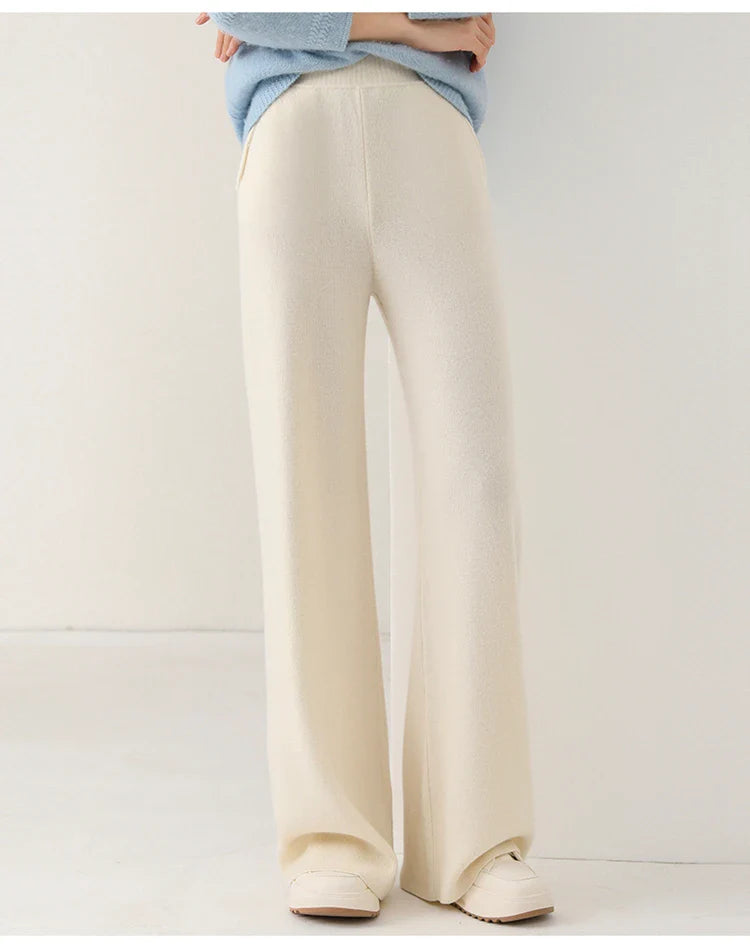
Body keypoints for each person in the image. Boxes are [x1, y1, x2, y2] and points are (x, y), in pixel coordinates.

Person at [197, 11, 554, 925]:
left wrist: (325, 22)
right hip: (293, 133)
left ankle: (475, 839)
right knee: (304, 486)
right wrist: (404, 26)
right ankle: (333, 838)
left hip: (430, 132)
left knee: (475, 482)